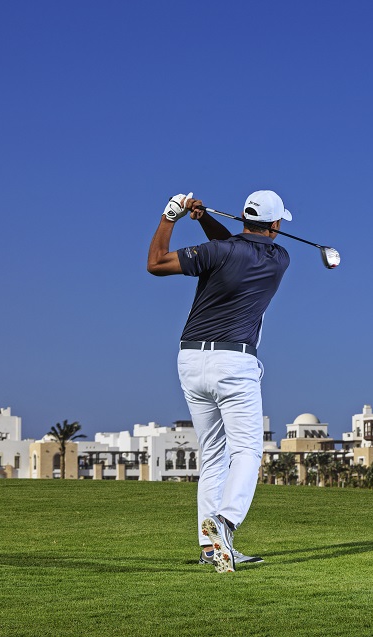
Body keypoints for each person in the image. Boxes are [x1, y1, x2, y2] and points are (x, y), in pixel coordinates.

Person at [147, 189, 291, 573]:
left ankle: (211, 549)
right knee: (246, 451)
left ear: (243, 218)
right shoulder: (280, 258)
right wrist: (205, 220)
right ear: (276, 224)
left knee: (213, 453)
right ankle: (225, 522)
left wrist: (170, 217)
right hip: (234, 363)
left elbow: (157, 262)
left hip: (190, 359)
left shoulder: (218, 251)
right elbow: (235, 247)